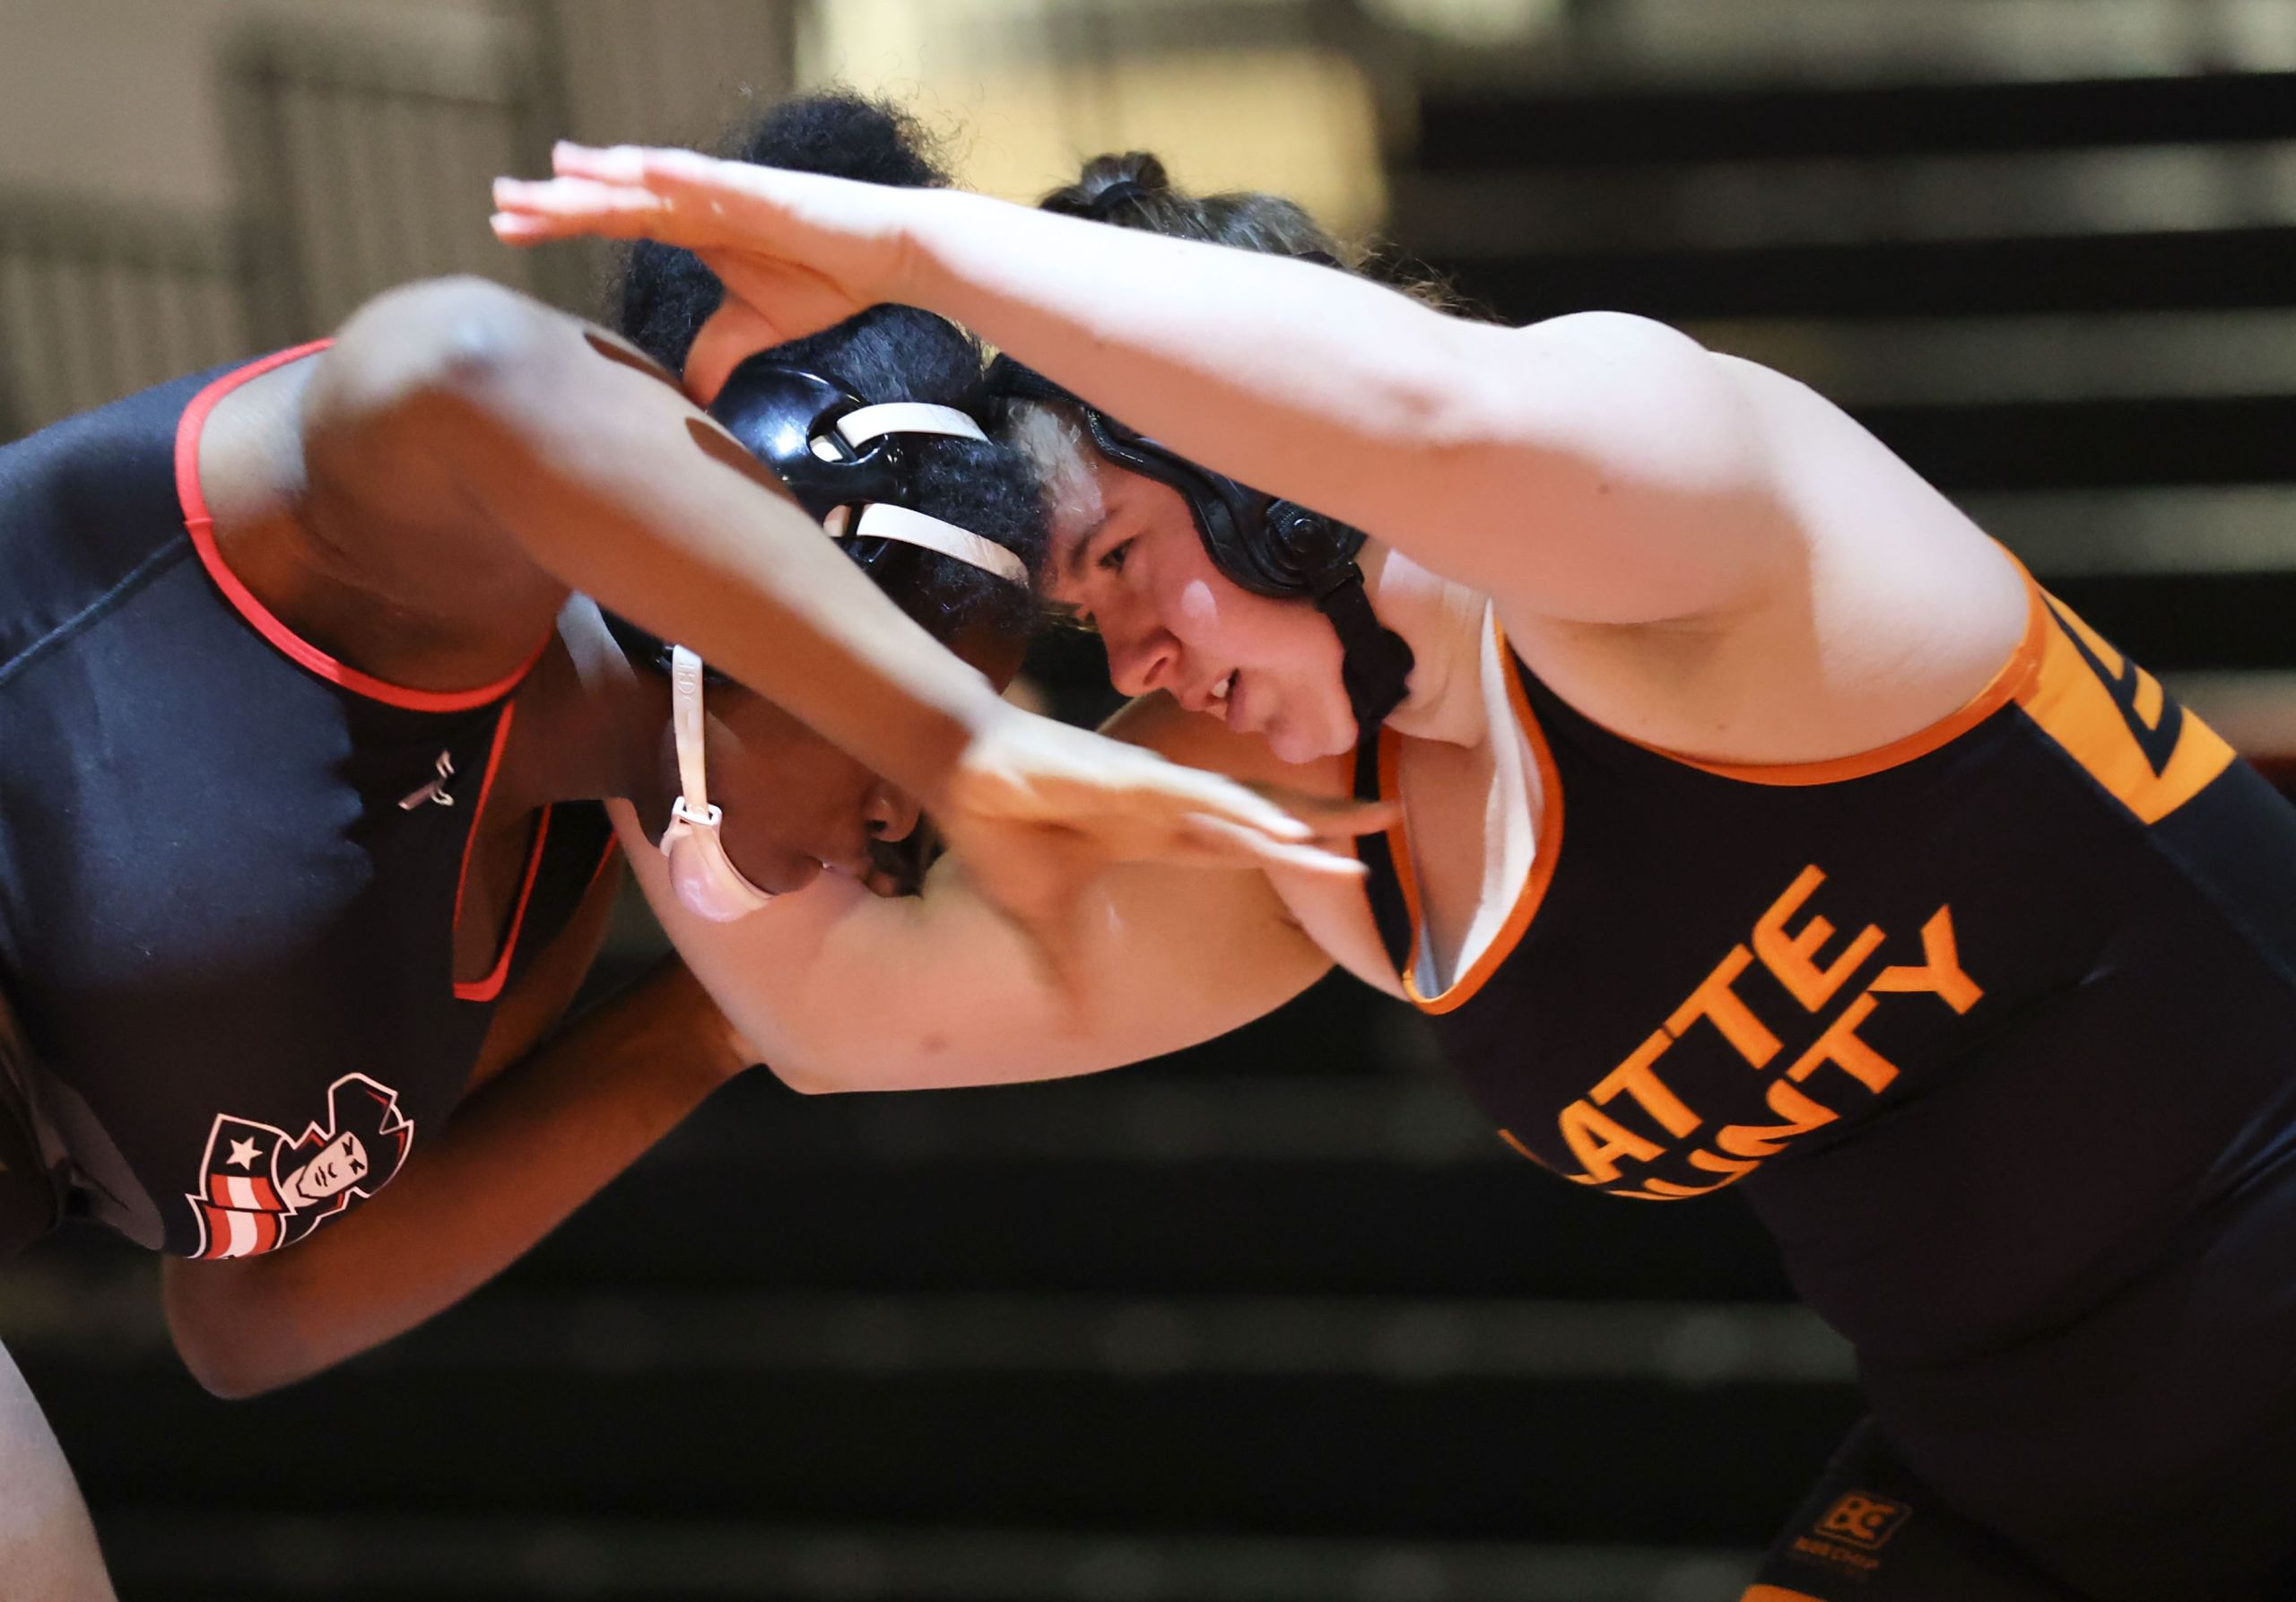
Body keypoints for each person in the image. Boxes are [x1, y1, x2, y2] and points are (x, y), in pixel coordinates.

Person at [494, 134, 2296, 1602]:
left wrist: (909, 250)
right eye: (1087, 620)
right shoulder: (1301, 815)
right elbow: (835, 1011)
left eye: (1122, 556)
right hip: (2020, 1482)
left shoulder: (1677, 491)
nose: (1132, 658)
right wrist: (628, 553)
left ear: (1243, 450)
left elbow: (1428, 413)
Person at [0, 93, 1365, 1599]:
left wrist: (725, 1024)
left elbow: (252, 1315)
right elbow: (466, 359)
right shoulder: (424, 581)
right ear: (751, 602)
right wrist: (961, 744)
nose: (900, 822)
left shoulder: (555, 888)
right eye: (885, 726)